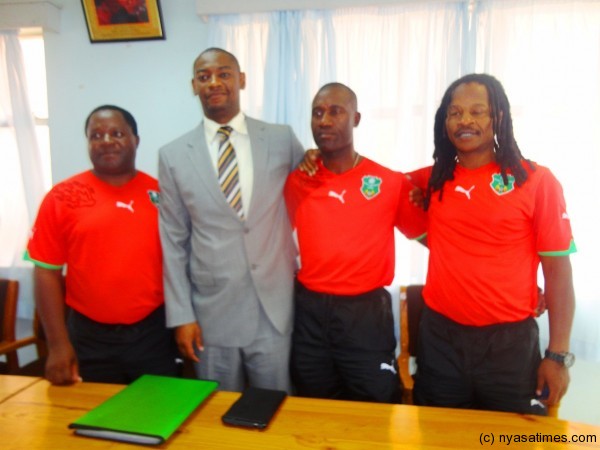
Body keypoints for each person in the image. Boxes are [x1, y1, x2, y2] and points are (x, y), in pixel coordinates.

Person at [407, 73, 576, 414]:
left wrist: (557, 356)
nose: (464, 120)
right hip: (441, 340)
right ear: (444, 122)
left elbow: (558, 271)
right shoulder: (430, 180)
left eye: (477, 111)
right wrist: (313, 158)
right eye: (455, 113)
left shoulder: (536, 181)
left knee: (508, 439)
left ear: (497, 117)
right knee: (438, 438)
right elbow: (369, 183)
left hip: (509, 347)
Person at [158, 48, 305, 392]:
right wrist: (181, 316)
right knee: (214, 414)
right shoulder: (174, 155)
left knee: (275, 409)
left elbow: (312, 195)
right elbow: (173, 241)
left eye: (224, 73)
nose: (214, 82)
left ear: (242, 80)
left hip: (273, 307)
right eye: (204, 76)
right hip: (211, 315)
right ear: (193, 86)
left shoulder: (281, 139)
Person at [284, 82, 427, 403]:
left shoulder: (389, 183)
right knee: (313, 407)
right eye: (317, 113)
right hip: (310, 312)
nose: (324, 120)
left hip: (365, 316)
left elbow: (438, 241)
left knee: (374, 409)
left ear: (356, 118)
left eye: (336, 111)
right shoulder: (297, 181)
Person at [25, 105, 179, 385]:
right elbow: (45, 273)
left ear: (136, 140)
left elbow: (183, 265)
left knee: (158, 417)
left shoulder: (163, 195)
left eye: (117, 133)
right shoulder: (62, 197)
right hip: (88, 338)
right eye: (96, 135)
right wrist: (58, 345)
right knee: (89, 421)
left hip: (154, 334)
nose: (106, 141)